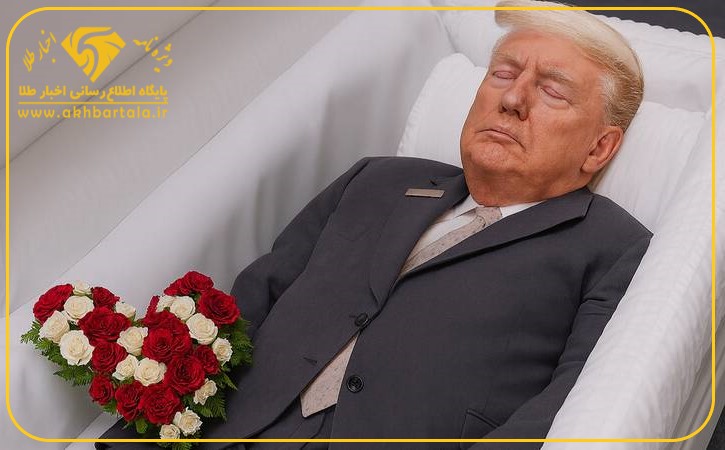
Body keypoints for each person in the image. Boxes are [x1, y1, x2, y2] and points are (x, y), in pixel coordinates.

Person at [98, 0, 651, 448]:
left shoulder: (614, 248)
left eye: (552, 90)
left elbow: (569, 406)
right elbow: (255, 298)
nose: (511, 98)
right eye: (503, 73)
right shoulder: (377, 179)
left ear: (599, 148)